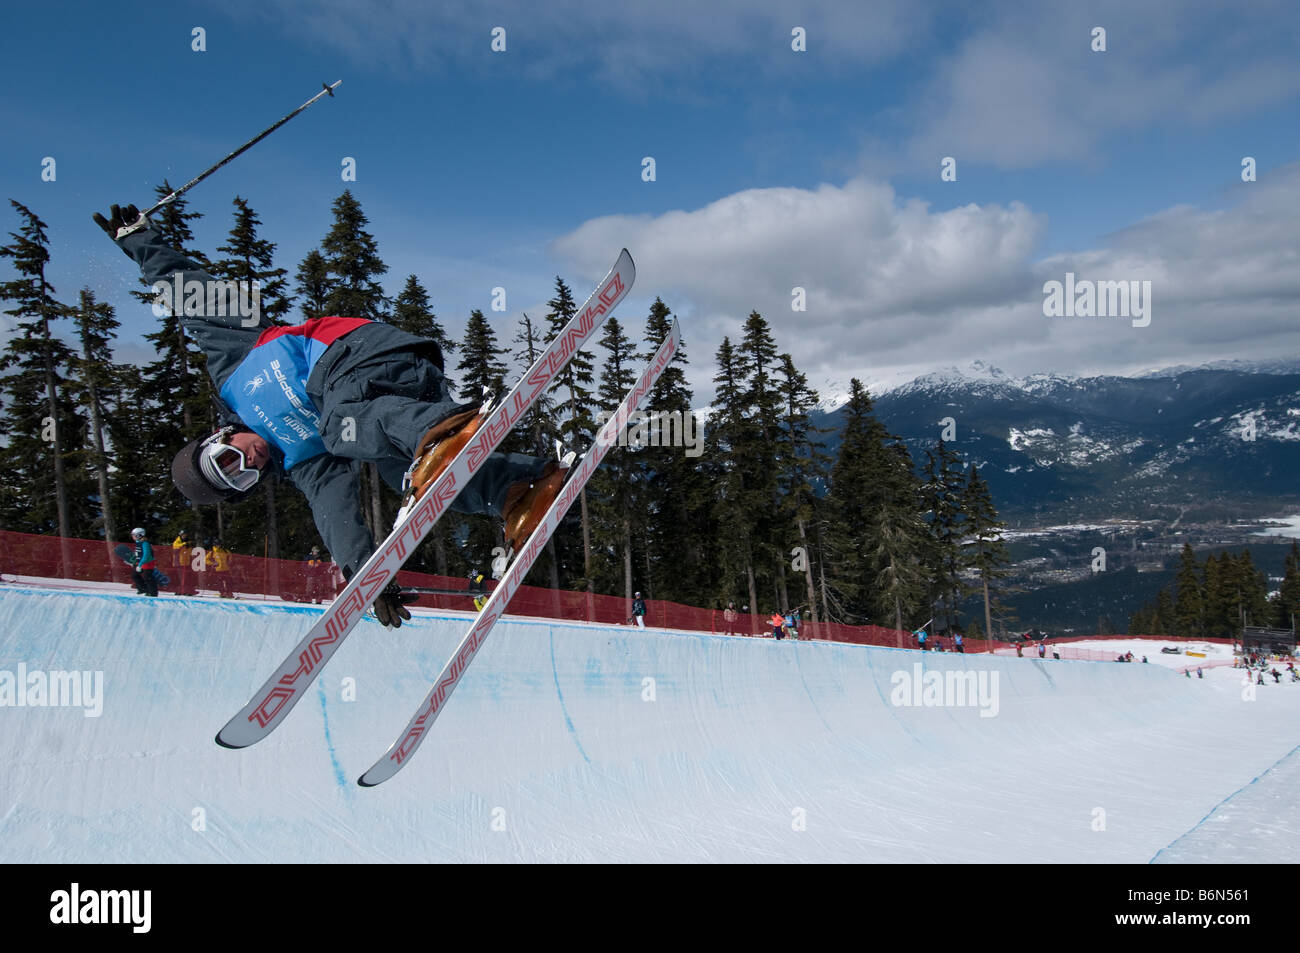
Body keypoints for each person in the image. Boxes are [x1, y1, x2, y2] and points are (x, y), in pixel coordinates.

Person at [95, 203, 566, 629]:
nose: (249, 465)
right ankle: (519, 488)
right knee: (396, 470)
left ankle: (436, 435)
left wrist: (141, 242)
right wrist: (367, 577)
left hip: (357, 353)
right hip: (411, 391)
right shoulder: (303, 460)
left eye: (228, 461)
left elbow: (196, 300)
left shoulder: (234, 369)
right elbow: (334, 512)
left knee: (340, 426)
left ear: (217, 437)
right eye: (241, 481)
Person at [128, 527, 159, 597]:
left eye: (134, 535)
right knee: (134, 575)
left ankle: (152, 592)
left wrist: (140, 565)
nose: (132, 536)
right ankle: (143, 589)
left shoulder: (145, 543)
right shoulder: (138, 543)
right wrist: (133, 561)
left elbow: (146, 555)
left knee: (148, 577)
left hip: (147, 563)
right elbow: (138, 553)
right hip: (140, 562)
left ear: (139, 535)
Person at [171, 529, 196, 595]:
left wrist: (189, 546)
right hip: (179, 562)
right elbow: (175, 546)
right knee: (182, 577)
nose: (184, 536)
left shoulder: (187, 541)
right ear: (180, 535)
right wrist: (184, 544)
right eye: (183, 535)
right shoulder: (177, 541)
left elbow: (189, 551)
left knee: (187, 577)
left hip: (186, 562)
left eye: (185, 535)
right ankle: (181, 590)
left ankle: (188, 590)